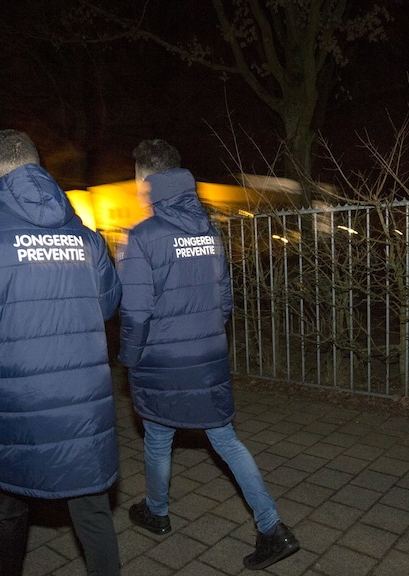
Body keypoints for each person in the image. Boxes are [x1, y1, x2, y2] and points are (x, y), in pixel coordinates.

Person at [0, 129, 123, 576]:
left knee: (9, 510)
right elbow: (109, 304)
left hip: (16, 407)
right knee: (91, 514)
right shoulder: (85, 235)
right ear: (40, 170)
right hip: (82, 404)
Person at [116, 139, 300, 570]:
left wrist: (129, 358)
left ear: (146, 180)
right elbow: (224, 299)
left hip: (161, 360)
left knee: (159, 438)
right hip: (208, 354)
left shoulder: (143, 237)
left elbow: (136, 311)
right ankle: (271, 527)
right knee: (225, 440)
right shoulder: (208, 228)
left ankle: (158, 513)